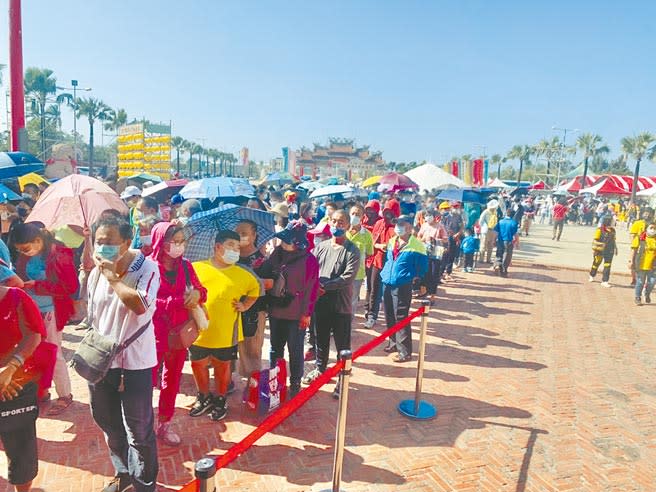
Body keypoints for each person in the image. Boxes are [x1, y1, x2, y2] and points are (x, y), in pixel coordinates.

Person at [87, 215, 161, 492]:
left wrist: (112, 277)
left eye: (109, 243)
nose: (102, 248)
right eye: (98, 242)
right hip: (101, 361)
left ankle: (144, 483)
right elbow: (94, 313)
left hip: (135, 364)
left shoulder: (146, 268)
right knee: (107, 421)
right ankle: (123, 473)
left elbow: (140, 304)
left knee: (139, 431)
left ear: (127, 242)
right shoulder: (95, 271)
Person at [190, 231, 261, 421]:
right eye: (231, 245)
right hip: (198, 331)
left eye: (238, 247)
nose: (235, 250)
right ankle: (203, 397)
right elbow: (185, 289)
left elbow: (256, 290)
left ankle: (221, 399)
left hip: (226, 332)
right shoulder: (196, 268)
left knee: (223, 368)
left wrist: (245, 305)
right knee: (198, 365)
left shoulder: (242, 274)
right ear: (217, 247)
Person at [9, 222, 77, 415]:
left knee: (54, 354)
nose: (24, 252)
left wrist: (37, 285)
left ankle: (65, 395)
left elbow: (70, 287)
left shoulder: (60, 254)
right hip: (31, 310)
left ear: (38, 240)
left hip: (52, 312)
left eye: (26, 248)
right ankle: (42, 391)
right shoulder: (25, 256)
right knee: (35, 353)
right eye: (20, 250)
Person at [150, 222, 207, 447]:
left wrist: (198, 295)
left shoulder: (186, 266)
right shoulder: (148, 267)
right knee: (147, 379)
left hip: (179, 334)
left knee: (171, 379)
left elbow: (201, 290)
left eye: (182, 241)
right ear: (160, 242)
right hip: (152, 333)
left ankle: (165, 422)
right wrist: (176, 302)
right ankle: (143, 423)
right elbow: (146, 301)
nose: (179, 246)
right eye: (174, 241)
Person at [303, 210, 360, 398]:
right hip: (320, 303)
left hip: (340, 304)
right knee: (320, 338)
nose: (337, 225)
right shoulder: (322, 246)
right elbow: (311, 266)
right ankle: (320, 369)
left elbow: (347, 277)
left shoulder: (352, 250)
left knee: (343, 344)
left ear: (348, 225)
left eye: (341, 222)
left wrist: (324, 286)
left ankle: (342, 377)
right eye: (334, 221)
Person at [261, 221, 319, 397]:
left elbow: (312, 288)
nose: (283, 243)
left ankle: (295, 381)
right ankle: (275, 379)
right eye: (283, 240)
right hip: (277, 309)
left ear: (298, 242)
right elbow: (267, 272)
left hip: (296, 313)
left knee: (295, 349)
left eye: (288, 240)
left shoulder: (309, 260)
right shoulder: (277, 253)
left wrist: (306, 314)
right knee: (275, 348)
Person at [0, 286, 48, 492]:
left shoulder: (16, 298)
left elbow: (34, 335)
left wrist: (10, 368)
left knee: (21, 453)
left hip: (15, 386)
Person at [380, 215, 427, 362]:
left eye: (401, 224)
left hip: (403, 284)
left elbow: (422, 267)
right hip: (387, 282)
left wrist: (416, 279)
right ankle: (393, 342)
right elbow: (388, 259)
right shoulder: (392, 241)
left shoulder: (417, 245)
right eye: (397, 224)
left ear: (409, 227)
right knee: (389, 314)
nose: (398, 227)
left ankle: (405, 351)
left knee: (401, 316)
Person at [235, 220, 269, 379]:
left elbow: (269, 283)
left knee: (252, 349)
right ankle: (227, 383)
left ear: (254, 235)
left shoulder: (261, 260)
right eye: (237, 234)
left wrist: (246, 283)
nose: (240, 237)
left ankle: (253, 386)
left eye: (244, 233)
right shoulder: (230, 256)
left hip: (254, 311)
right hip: (232, 308)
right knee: (228, 348)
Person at [364, 198, 399, 328]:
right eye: (386, 212)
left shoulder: (398, 226)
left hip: (392, 263)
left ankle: (391, 319)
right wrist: (379, 246)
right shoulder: (379, 223)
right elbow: (371, 241)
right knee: (374, 289)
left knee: (389, 292)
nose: (387, 215)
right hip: (377, 260)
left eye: (391, 212)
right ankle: (372, 315)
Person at [345, 204, 374, 318]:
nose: (354, 216)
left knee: (352, 300)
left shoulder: (366, 235)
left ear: (362, 217)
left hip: (357, 273)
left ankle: (347, 324)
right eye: (353, 214)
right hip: (340, 272)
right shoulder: (342, 230)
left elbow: (369, 253)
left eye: (358, 214)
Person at [416, 209, 447, 304]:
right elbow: (418, 237)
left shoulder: (440, 226)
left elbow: (445, 239)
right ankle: (423, 291)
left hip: (436, 252)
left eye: (430, 215)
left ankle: (432, 297)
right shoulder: (424, 226)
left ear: (434, 217)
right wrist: (423, 239)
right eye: (426, 215)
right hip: (424, 252)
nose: (427, 217)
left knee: (434, 274)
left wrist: (435, 239)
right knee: (424, 272)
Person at [631, 222, 656, 305]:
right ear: (646, 228)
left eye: (654, 228)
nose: (653, 230)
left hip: (653, 265)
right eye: (651, 228)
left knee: (652, 282)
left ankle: (647, 293)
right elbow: (633, 250)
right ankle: (637, 297)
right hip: (641, 264)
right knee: (640, 282)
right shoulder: (640, 238)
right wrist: (631, 261)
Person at [589, 216, 617, 288]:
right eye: (612, 221)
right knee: (596, 263)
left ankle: (605, 281)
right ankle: (592, 275)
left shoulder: (613, 231)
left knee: (607, 265)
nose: (614, 222)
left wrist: (616, 248)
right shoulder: (599, 230)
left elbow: (614, 240)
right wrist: (597, 247)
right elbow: (595, 240)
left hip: (609, 250)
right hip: (600, 250)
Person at [629, 207, 654, 286]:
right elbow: (632, 235)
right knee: (634, 264)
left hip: (650, 247)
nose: (647, 215)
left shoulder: (653, 224)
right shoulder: (637, 223)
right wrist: (634, 245)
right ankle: (634, 279)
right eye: (646, 213)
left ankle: (644, 282)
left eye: (649, 213)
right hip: (638, 246)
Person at [494, 208, 519, 277]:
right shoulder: (514, 223)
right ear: (513, 215)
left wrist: (494, 240)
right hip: (508, 241)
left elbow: (496, 232)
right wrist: (517, 242)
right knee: (507, 256)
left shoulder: (500, 221)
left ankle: (497, 265)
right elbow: (516, 234)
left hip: (500, 240)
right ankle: (503, 270)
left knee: (499, 254)